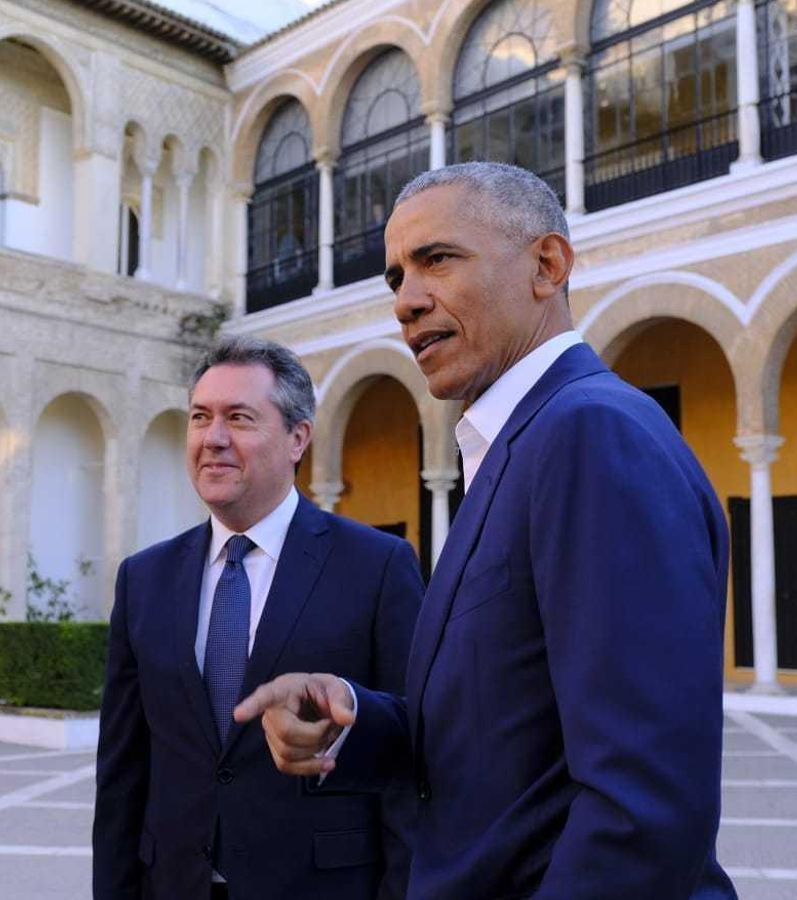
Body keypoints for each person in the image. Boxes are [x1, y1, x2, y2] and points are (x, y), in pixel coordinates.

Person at [235, 163, 736, 899]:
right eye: (396, 277)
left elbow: (642, 807)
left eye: (437, 259)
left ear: (547, 266)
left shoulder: (591, 435)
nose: (405, 301)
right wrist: (350, 716)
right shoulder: (519, 444)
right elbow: (506, 743)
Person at [93, 336, 423, 900]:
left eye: (239, 418)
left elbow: (411, 748)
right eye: (200, 417)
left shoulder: (378, 566)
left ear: (298, 438)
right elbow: (122, 772)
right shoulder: (143, 578)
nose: (213, 438)